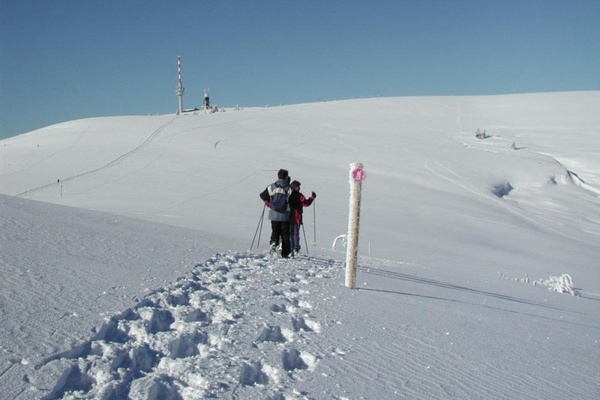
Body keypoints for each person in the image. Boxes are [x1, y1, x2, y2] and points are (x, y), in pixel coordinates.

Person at [259, 169, 292, 258]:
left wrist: (268, 203)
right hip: (285, 215)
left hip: (274, 214)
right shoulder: (289, 188)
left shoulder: (271, 187)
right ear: (286, 177)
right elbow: (293, 202)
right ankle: (285, 253)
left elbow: (262, 195)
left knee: (275, 231)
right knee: (285, 234)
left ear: (278, 176)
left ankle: (273, 244)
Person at [288, 180, 316, 255]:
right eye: (298, 187)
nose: (299, 188)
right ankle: (295, 248)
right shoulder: (299, 195)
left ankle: (291, 247)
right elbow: (306, 203)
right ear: (294, 187)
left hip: (288, 217)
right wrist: (312, 197)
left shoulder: (288, 195)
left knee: (290, 233)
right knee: (296, 234)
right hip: (297, 217)